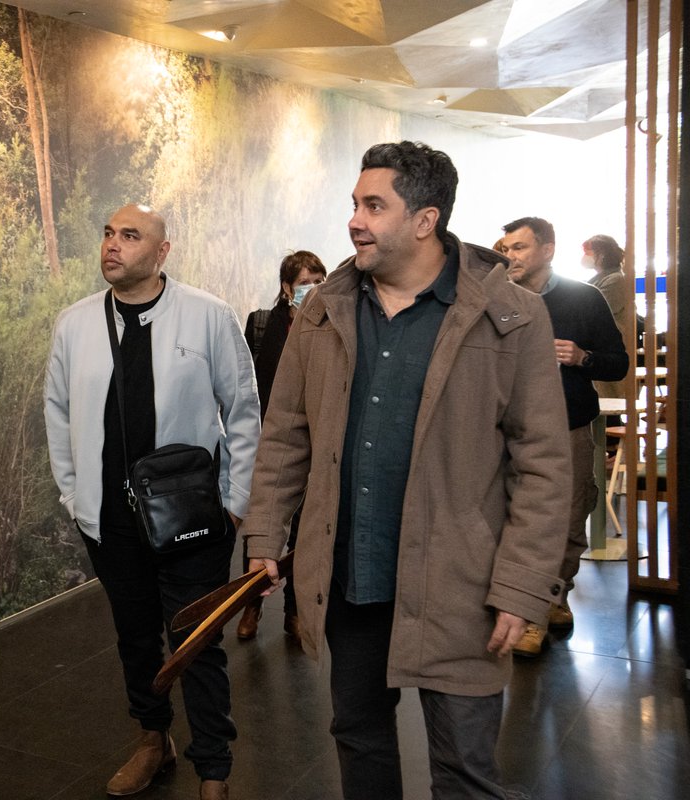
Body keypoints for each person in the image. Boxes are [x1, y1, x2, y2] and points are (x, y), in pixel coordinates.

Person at [244, 141, 572, 799]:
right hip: (351, 579)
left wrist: (522, 584)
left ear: (425, 219)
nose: (355, 220)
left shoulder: (512, 317)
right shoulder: (322, 310)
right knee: (360, 744)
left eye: (374, 205)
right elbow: (285, 434)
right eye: (355, 204)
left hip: (461, 584)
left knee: (465, 771)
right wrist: (264, 536)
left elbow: (542, 464)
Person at [44, 203, 261, 800]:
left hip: (192, 520)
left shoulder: (208, 316)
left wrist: (234, 503)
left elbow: (243, 411)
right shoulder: (75, 324)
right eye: (109, 233)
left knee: (197, 642)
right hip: (111, 523)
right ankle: (152, 741)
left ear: (162, 251)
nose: (113, 244)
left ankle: (214, 770)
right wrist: (74, 496)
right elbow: (57, 412)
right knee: (136, 638)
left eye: (130, 235)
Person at [501, 217, 629, 656]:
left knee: (570, 519)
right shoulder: (495, 298)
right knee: (518, 522)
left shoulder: (584, 298)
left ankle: (553, 597)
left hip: (569, 426)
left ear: (548, 250)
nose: (510, 256)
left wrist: (582, 356)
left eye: (519, 248)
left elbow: (618, 364)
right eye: (507, 248)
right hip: (507, 432)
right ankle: (532, 608)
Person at [236, 251, 326, 642]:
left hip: (315, 443)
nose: (315, 289)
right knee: (265, 528)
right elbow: (245, 385)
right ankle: (250, 606)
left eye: (321, 280)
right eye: (307, 282)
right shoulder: (261, 326)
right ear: (287, 288)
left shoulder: (328, 326)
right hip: (270, 440)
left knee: (304, 532)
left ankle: (293, 611)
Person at [581, 234, 631, 401]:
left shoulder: (615, 280)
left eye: (588, 252)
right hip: (597, 349)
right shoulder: (600, 279)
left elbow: (592, 312)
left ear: (600, 254)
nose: (584, 257)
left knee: (608, 403)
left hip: (607, 349)